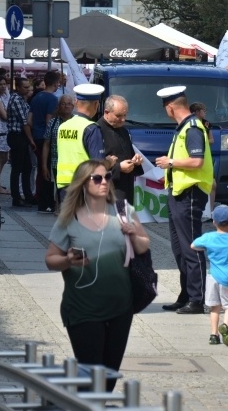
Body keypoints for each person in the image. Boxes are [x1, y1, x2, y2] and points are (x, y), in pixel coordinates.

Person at [44, 160, 150, 392]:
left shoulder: (123, 210)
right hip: (83, 309)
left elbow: (143, 246)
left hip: (121, 308)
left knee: (108, 380)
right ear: (83, 183)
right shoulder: (69, 218)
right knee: (90, 378)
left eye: (107, 177)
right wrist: (67, 260)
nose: (104, 182)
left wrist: (133, 234)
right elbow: (50, 259)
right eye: (97, 178)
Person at [154, 86, 214, 315]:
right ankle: (186, 295)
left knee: (192, 247)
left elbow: (196, 161)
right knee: (179, 249)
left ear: (170, 107)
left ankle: (197, 300)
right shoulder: (183, 128)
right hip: (178, 192)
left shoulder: (192, 128)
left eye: (165, 108)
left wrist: (170, 163)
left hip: (190, 193)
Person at [191, 205, 228, 346]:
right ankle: (225, 326)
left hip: (212, 277)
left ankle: (213, 335)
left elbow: (193, 245)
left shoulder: (209, 237)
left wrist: (204, 248)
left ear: (214, 222)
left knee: (214, 308)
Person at [56, 84, 111, 195]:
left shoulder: (63, 126)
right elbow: (98, 162)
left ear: (76, 102)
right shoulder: (91, 128)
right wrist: (109, 162)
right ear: (96, 105)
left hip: (64, 185)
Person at [98, 95, 144, 206]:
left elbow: (128, 154)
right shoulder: (97, 131)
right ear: (106, 112)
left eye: (125, 115)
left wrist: (135, 161)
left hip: (126, 189)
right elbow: (94, 164)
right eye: (118, 116)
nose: (123, 119)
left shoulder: (123, 131)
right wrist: (118, 168)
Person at [28, 71, 60, 213]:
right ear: (55, 83)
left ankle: (42, 200)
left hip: (36, 135)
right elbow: (49, 120)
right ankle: (46, 202)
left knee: (41, 169)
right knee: (47, 170)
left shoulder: (36, 97)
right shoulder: (52, 99)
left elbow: (29, 120)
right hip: (46, 138)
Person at [7, 78, 37, 207]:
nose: (28, 89)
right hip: (17, 136)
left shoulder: (22, 99)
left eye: (28, 87)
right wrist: (31, 140)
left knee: (27, 167)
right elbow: (24, 122)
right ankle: (16, 197)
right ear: (18, 87)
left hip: (22, 136)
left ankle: (28, 195)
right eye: (25, 87)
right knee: (17, 168)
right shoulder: (16, 99)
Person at [42, 95, 74, 213]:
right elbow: (46, 144)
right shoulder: (53, 122)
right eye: (63, 104)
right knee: (60, 188)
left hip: (73, 162)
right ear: (59, 106)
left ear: (73, 106)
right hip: (57, 163)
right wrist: (44, 166)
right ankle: (58, 211)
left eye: (68, 104)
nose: (66, 106)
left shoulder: (76, 122)